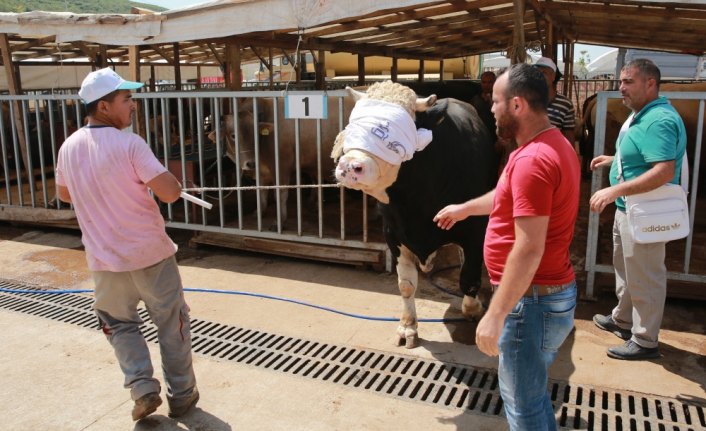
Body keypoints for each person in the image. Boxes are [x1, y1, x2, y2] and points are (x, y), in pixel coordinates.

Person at [433, 63, 580, 430]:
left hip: (528, 302)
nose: (490, 107)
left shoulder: (532, 160)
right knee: (531, 395)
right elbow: (508, 194)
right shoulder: (550, 143)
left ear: (517, 105)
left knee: (523, 406)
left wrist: (496, 313)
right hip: (544, 294)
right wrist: (466, 208)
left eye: (496, 101)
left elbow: (529, 248)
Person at [55, 67, 199, 421]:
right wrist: (173, 184)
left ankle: (142, 388)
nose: (133, 106)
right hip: (150, 255)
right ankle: (181, 395)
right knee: (172, 323)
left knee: (119, 325)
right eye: (126, 99)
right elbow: (168, 193)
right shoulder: (130, 143)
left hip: (104, 260)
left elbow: (63, 194)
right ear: (104, 107)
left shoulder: (69, 146)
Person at [588, 59, 686, 360]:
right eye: (621, 81)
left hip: (645, 212)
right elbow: (640, 153)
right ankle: (623, 319)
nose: (621, 88)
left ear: (650, 84)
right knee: (628, 270)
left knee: (645, 275)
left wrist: (615, 188)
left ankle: (645, 340)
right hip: (629, 208)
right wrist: (614, 160)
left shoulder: (659, 120)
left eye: (628, 81)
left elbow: (663, 171)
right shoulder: (643, 115)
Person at [534, 56, 576, 145]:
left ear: (553, 76)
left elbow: (568, 135)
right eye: (537, 72)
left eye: (544, 72)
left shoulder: (565, 104)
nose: (540, 75)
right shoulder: (528, 100)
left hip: (552, 153)